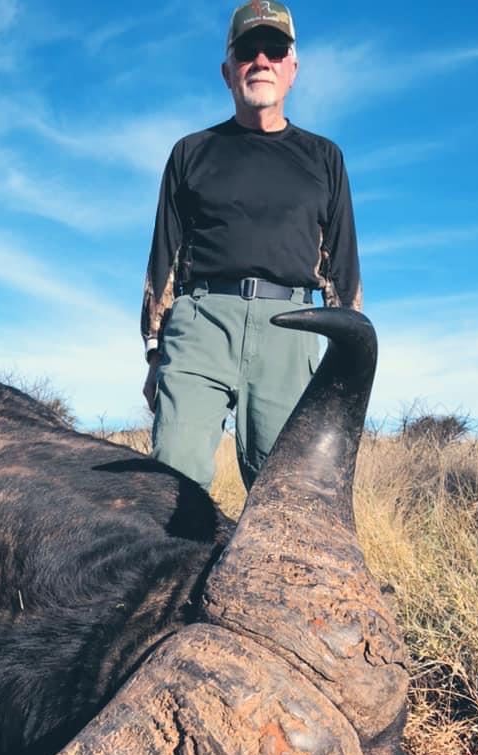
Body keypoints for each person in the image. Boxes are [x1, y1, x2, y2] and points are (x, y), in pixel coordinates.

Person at [141, 1, 362, 491]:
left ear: (292, 70)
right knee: (173, 474)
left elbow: (342, 267)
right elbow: (164, 258)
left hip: (293, 330)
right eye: (247, 51)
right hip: (201, 326)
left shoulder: (324, 158)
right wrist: (156, 353)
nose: (261, 61)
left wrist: (345, 362)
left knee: (285, 492)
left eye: (274, 50)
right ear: (227, 71)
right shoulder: (190, 152)